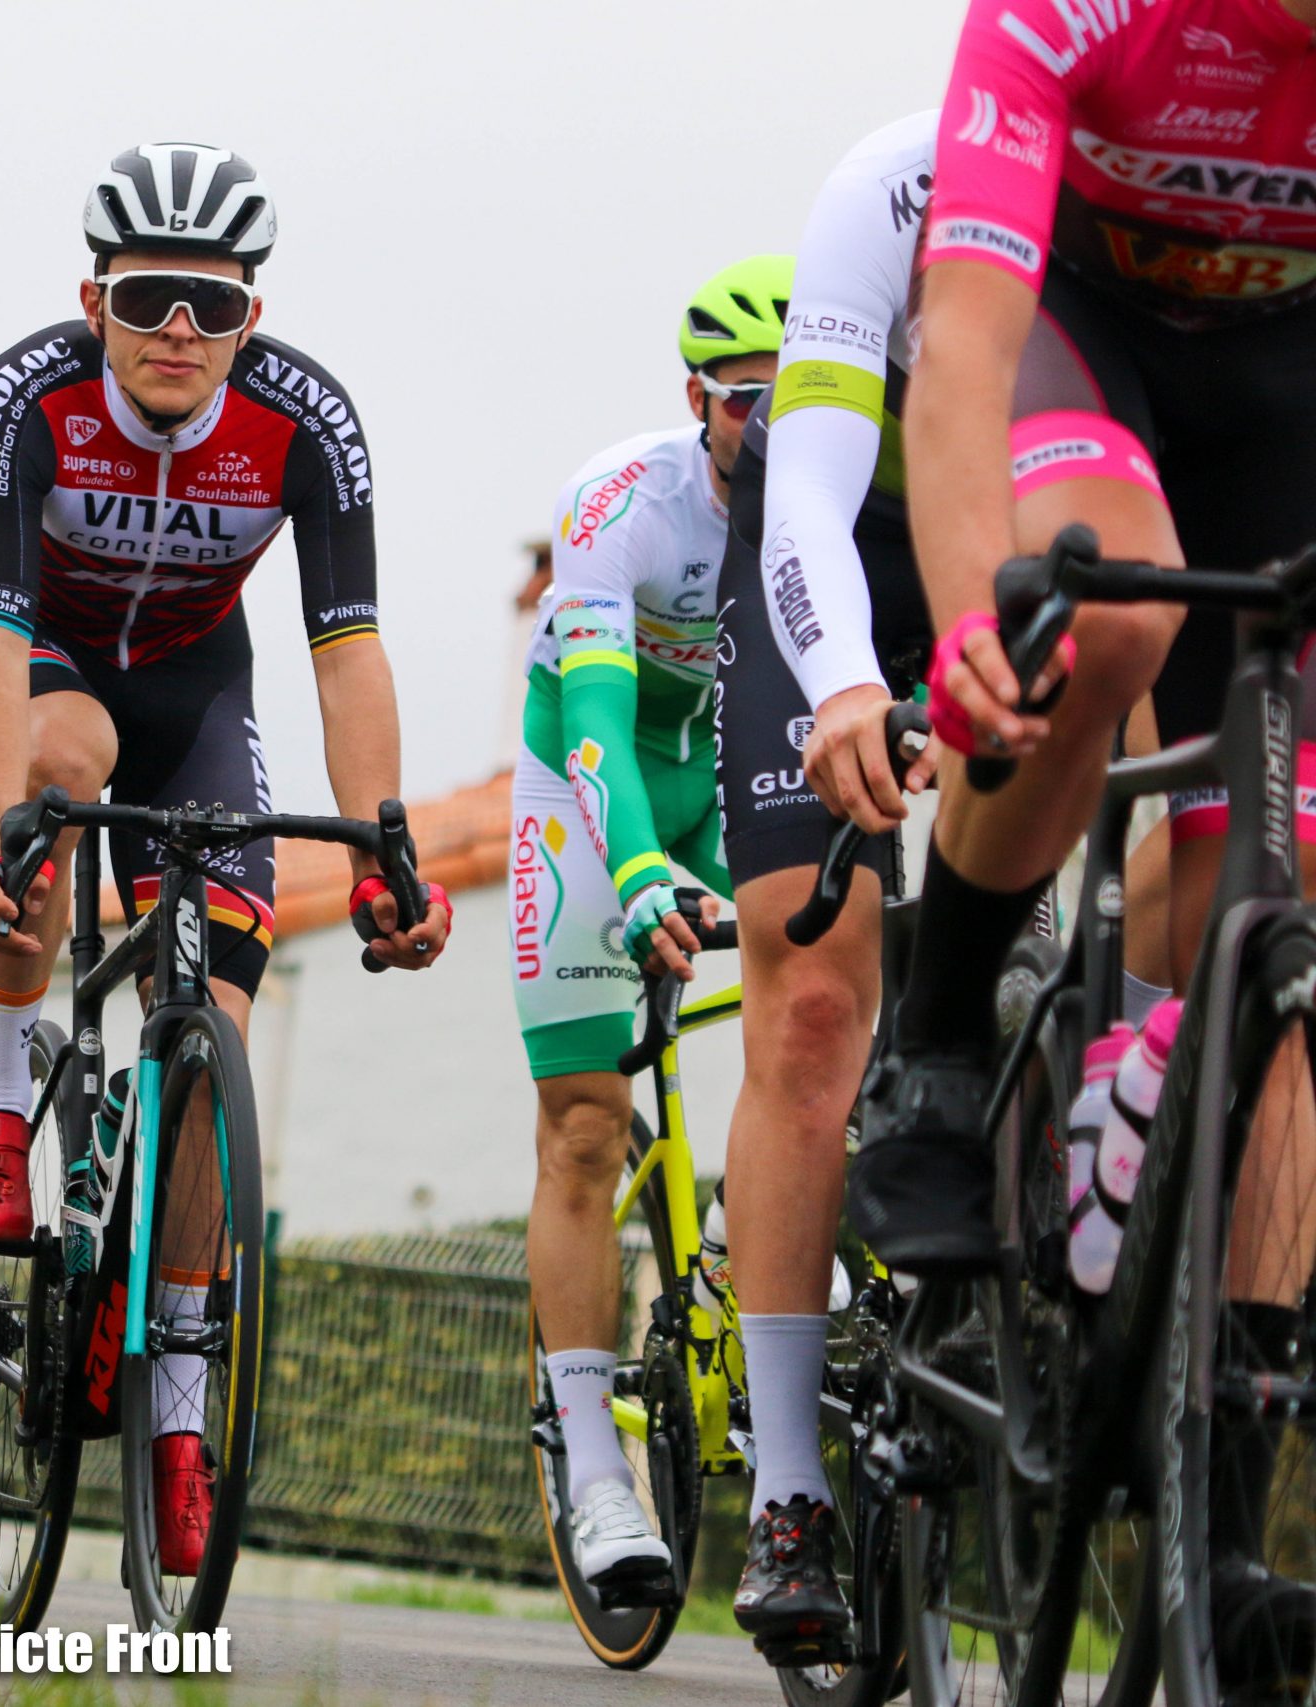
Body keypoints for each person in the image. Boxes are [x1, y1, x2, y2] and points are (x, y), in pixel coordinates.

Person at [859, 0, 1316, 1676]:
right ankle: (938, 1048)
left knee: (1287, 908)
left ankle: (1222, 1533)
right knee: (1105, 621)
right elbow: (964, 357)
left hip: (1286, 389)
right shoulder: (1078, 13)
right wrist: (978, 621)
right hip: (1078, 332)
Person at [0, 142, 451, 1574]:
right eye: (147, 296)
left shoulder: (304, 422)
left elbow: (345, 650)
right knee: (66, 764)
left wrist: (386, 847)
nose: (178, 328)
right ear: (91, 299)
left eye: (210, 304)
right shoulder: (26, 396)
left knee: (216, 1026)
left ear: (249, 320)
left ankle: (174, 1422)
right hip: (28, 657)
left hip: (197, 690)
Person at [514, 255, 786, 1605]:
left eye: (803, 396)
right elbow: (596, 720)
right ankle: (592, 1468)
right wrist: (634, 871)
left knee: (822, 1039)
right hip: (591, 782)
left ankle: (754, 1251)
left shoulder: (851, 502)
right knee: (583, 1123)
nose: (775, 424)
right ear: (698, 401)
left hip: (734, 779)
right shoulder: (624, 501)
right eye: (747, 399)